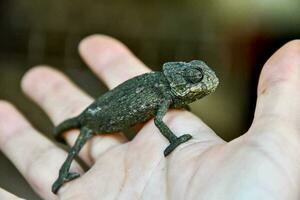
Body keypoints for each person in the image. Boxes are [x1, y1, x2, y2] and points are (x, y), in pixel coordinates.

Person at [0, 35, 299, 200]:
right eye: (195, 77)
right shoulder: (164, 93)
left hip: (107, 110)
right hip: (99, 116)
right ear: (181, 80)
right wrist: (174, 140)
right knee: (80, 137)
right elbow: (158, 120)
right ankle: (63, 173)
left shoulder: (168, 92)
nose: (203, 83)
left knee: (80, 137)